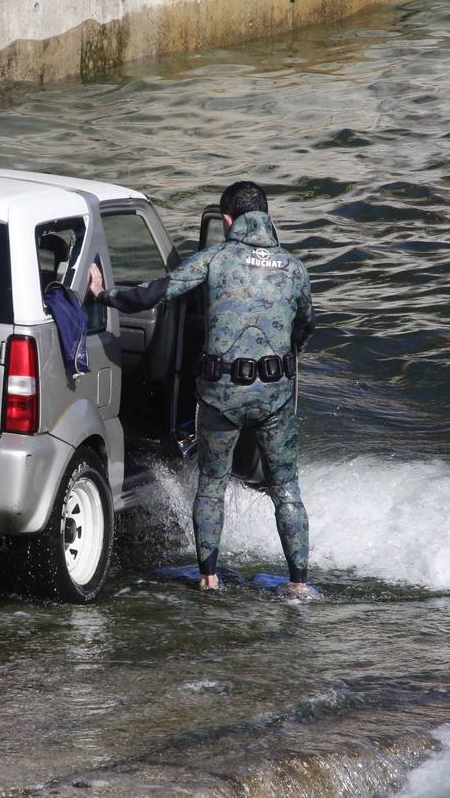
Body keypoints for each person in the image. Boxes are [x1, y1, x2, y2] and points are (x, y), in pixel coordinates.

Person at [88, 181, 316, 597]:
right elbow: (305, 329)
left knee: (212, 483)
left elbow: (154, 294)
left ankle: (209, 578)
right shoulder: (295, 268)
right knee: (285, 487)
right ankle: (299, 583)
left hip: (222, 396)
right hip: (275, 398)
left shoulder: (213, 260)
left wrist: (104, 295)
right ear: (266, 216)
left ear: (227, 220)